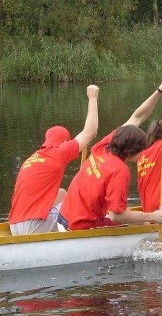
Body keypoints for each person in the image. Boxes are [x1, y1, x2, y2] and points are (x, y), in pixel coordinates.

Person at [58, 75, 162, 231]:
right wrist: (152, 216)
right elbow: (117, 216)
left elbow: (138, 117)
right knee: (145, 225)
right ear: (133, 150)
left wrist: (159, 90)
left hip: (63, 217)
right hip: (78, 227)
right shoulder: (119, 171)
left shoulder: (104, 145)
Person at [8, 85, 100, 234]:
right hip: (34, 226)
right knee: (81, 207)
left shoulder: (32, 159)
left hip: (15, 227)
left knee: (63, 193)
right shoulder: (58, 152)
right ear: (64, 142)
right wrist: (93, 98)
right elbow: (90, 132)